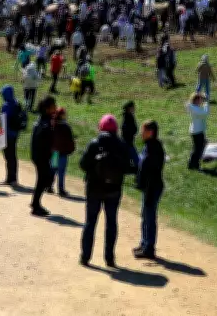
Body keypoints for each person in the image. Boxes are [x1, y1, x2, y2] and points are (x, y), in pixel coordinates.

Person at [79, 114, 137, 267]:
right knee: (111, 223)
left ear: (101, 127)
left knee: (90, 222)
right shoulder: (122, 145)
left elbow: (83, 164)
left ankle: (85, 256)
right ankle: (109, 258)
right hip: (114, 189)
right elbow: (129, 167)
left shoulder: (94, 143)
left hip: (94, 188)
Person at [134, 120, 166, 259]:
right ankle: (144, 243)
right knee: (145, 216)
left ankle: (149, 248)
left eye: (144, 130)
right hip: (148, 187)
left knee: (150, 217)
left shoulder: (155, 148)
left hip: (152, 187)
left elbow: (151, 170)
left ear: (150, 132)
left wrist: (146, 187)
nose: (141, 133)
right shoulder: (148, 146)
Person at [30, 96, 57, 216]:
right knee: (43, 180)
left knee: (44, 179)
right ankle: (35, 206)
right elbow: (44, 141)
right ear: (47, 109)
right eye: (53, 106)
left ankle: (35, 203)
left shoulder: (44, 120)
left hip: (41, 156)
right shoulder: (45, 123)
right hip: (42, 156)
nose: (55, 108)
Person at [0, 85, 22, 186]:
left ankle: (12, 179)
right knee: (11, 156)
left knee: (9, 157)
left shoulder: (6, 106)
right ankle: (10, 179)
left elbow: (3, 119)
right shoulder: (17, 103)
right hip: (14, 133)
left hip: (7, 134)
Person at [50, 107, 75, 197]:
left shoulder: (53, 125)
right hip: (63, 153)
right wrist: (71, 149)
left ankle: (49, 186)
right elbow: (70, 140)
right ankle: (61, 189)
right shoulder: (66, 127)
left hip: (55, 153)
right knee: (61, 172)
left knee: (53, 170)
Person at [186, 92, 209, 171]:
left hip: (198, 130)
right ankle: (193, 164)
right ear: (196, 100)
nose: (201, 101)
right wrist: (206, 103)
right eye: (200, 99)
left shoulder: (195, 107)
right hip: (197, 131)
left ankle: (193, 163)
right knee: (197, 149)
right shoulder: (195, 108)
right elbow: (205, 113)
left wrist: (204, 101)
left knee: (199, 147)